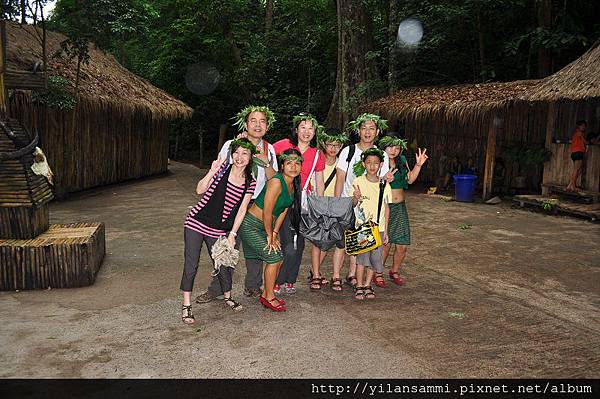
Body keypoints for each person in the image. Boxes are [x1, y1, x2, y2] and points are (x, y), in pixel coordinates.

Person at [196, 106, 278, 304]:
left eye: (262, 121)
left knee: (254, 249)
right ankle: (217, 289)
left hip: (255, 206)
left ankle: (252, 286)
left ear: (267, 126)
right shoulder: (232, 145)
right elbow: (219, 171)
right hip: (231, 204)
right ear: (246, 123)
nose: (258, 125)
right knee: (226, 248)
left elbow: (274, 180)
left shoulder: (270, 149)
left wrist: (265, 162)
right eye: (253, 120)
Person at [180, 138, 257, 324]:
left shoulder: (250, 182)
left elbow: (241, 210)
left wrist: (232, 234)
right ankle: (186, 305)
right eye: (236, 153)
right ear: (232, 154)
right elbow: (199, 190)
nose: (239, 157)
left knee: (223, 264)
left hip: (218, 229)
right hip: (196, 222)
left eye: (244, 153)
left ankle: (228, 296)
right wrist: (212, 171)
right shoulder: (222, 170)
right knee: (191, 265)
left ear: (250, 157)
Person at [331, 113, 392, 292]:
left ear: (377, 131)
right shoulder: (348, 151)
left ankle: (353, 276)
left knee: (362, 242)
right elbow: (340, 177)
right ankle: (336, 276)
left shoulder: (381, 155)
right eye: (364, 128)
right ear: (358, 130)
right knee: (343, 242)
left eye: (371, 128)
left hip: (369, 208)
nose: (367, 132)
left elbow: (381, 181)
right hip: (349, 202)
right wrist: (337, 203)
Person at [238, 148, 303, 311]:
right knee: (274, 257)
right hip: (251, 225)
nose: (293, 167)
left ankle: (267, 294)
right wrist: (269, 235)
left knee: (278, 257)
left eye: (297, 163)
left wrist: (274, 233)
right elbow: (267, 212)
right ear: (282, 166)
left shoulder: (293, 184)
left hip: (266, 227)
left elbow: (283, 210)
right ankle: (269, 296)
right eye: (289, 163)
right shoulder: (276, 181)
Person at [272, 114, 325, 294]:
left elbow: (319, 183)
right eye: (303, 127)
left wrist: (320, 207)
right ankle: (277, 280)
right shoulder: (283, 146)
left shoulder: (317, 154)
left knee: (299, 243)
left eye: (310, 128)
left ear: (315, 131)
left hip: (303, 203)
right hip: (284, 198)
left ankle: (290, 279)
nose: (306, 131)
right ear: (296, 130)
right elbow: (265, 155)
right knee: (287, 242)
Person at [378, 136, 428, 287]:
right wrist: (383, 178)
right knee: (385, 243)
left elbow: (410, 180)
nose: (393, 151)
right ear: (384, 147)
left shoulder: (402, 160)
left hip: (400, 207)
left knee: (402, 245)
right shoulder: (378, 161)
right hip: (385, 207)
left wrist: (418, 165)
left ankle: (394, 271)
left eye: (397, 148)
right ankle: (378, 273)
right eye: (390, 147)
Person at [308, 128, 348, 290]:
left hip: (336, 205)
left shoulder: (342, 162)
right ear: (323, 144)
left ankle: (315, 271)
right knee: (319, 241)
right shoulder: (317, 160)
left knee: (333, 240)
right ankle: (316, 274)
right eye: (330, 144)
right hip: (319, 204)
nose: (333, 148)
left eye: (337, 145)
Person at [350, 148, 391, 300]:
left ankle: (368, 285)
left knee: (374, 260)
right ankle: (359, 285)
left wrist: (385, 231)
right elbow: (353, 205)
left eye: (375, 163)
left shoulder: (384, 184)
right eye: (369, 163)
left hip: (378, 229)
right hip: (362, 229)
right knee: (361, 260)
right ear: (363, 164)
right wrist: (356, 197)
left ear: (381, 165)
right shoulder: (358, 182)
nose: (372, 166)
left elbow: (387, 210)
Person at [566, 120, 588, 192]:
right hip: (578, 152)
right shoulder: (579, 133)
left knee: (579, 169)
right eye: (583, 126)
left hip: (575, 152)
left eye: (584, 126)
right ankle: (573, 186)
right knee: (576, 169)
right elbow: (585, 142)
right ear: (579, 126)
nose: (584, 127)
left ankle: (570, 185)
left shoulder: (577, 133)